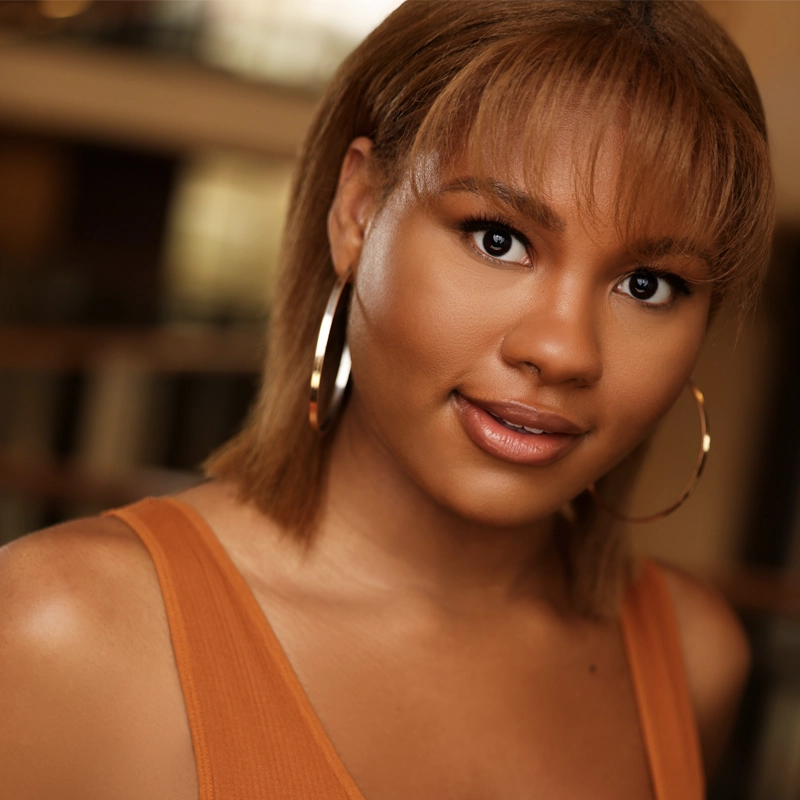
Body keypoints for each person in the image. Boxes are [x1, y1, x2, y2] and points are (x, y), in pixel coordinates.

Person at [0, 1, 774, 798]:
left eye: (648, 285)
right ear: (359, 210)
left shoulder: (691, 658)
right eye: (497, 238)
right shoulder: (66, 631)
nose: (563, 350)